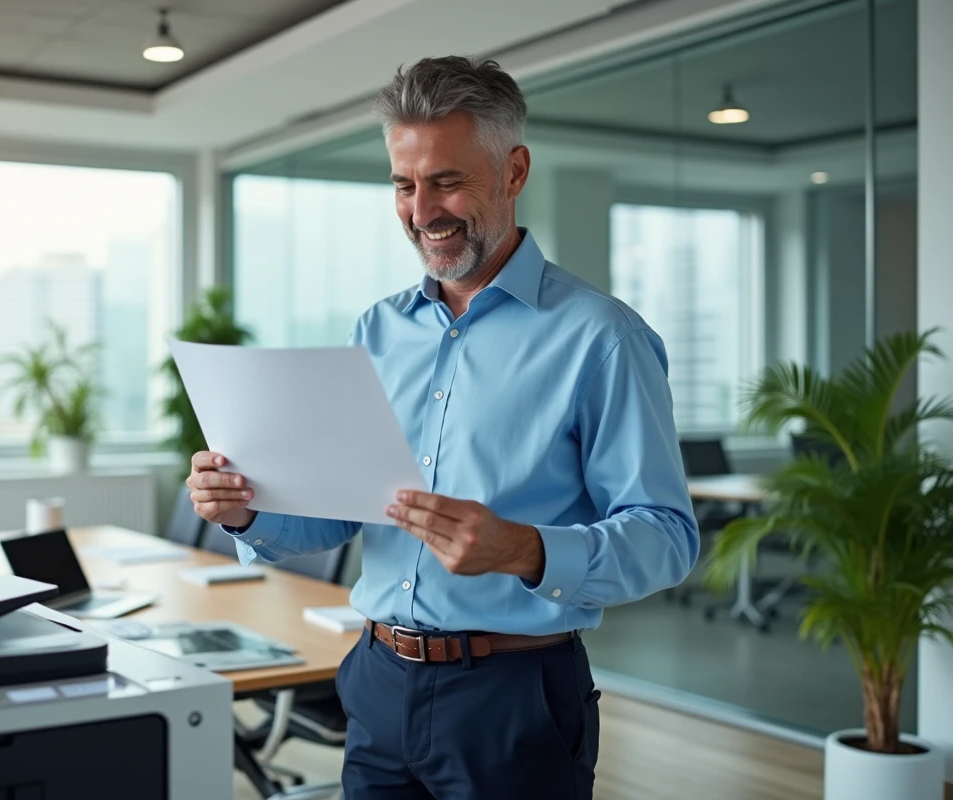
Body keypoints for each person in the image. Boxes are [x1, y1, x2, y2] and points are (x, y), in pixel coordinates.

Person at [186, 55, 699, 800]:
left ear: (514, 171)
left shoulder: (602, 339)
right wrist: (246, 508)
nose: (422, 210)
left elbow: (667, 536)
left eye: (447, 181)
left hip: (515, 698)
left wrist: (524, 549)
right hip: (377, 683)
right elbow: (338, 511)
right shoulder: (379, 329)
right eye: (404, 184)